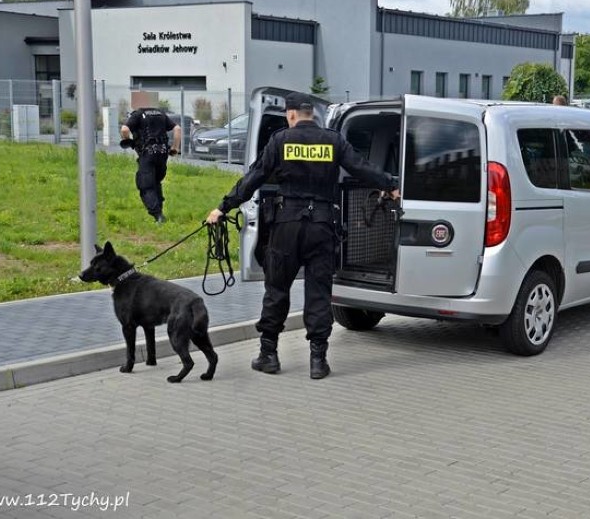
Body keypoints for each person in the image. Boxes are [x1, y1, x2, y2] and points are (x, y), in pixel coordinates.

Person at [206, 92, 399, 379]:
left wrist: (223, 207)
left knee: (277, 290)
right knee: (318, 292)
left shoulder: (281, 140)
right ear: (312, 114)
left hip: (287, 225)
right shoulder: (333, 140)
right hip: (322, 226)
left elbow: (254, 177)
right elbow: (361, 167)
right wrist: (390, 184)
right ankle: (318, 361)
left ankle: (268, 355)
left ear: (291, 114)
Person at [120, 107, 182, 223]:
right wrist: (175, 147)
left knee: (146, 185)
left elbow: (124, 130)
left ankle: (158, 215)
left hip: (147, 154)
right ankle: (160, 212)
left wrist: (129, 141)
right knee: (156, 182)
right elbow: (177, 128)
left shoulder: (138, 114)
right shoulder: (160, 113)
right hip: (162, 154)